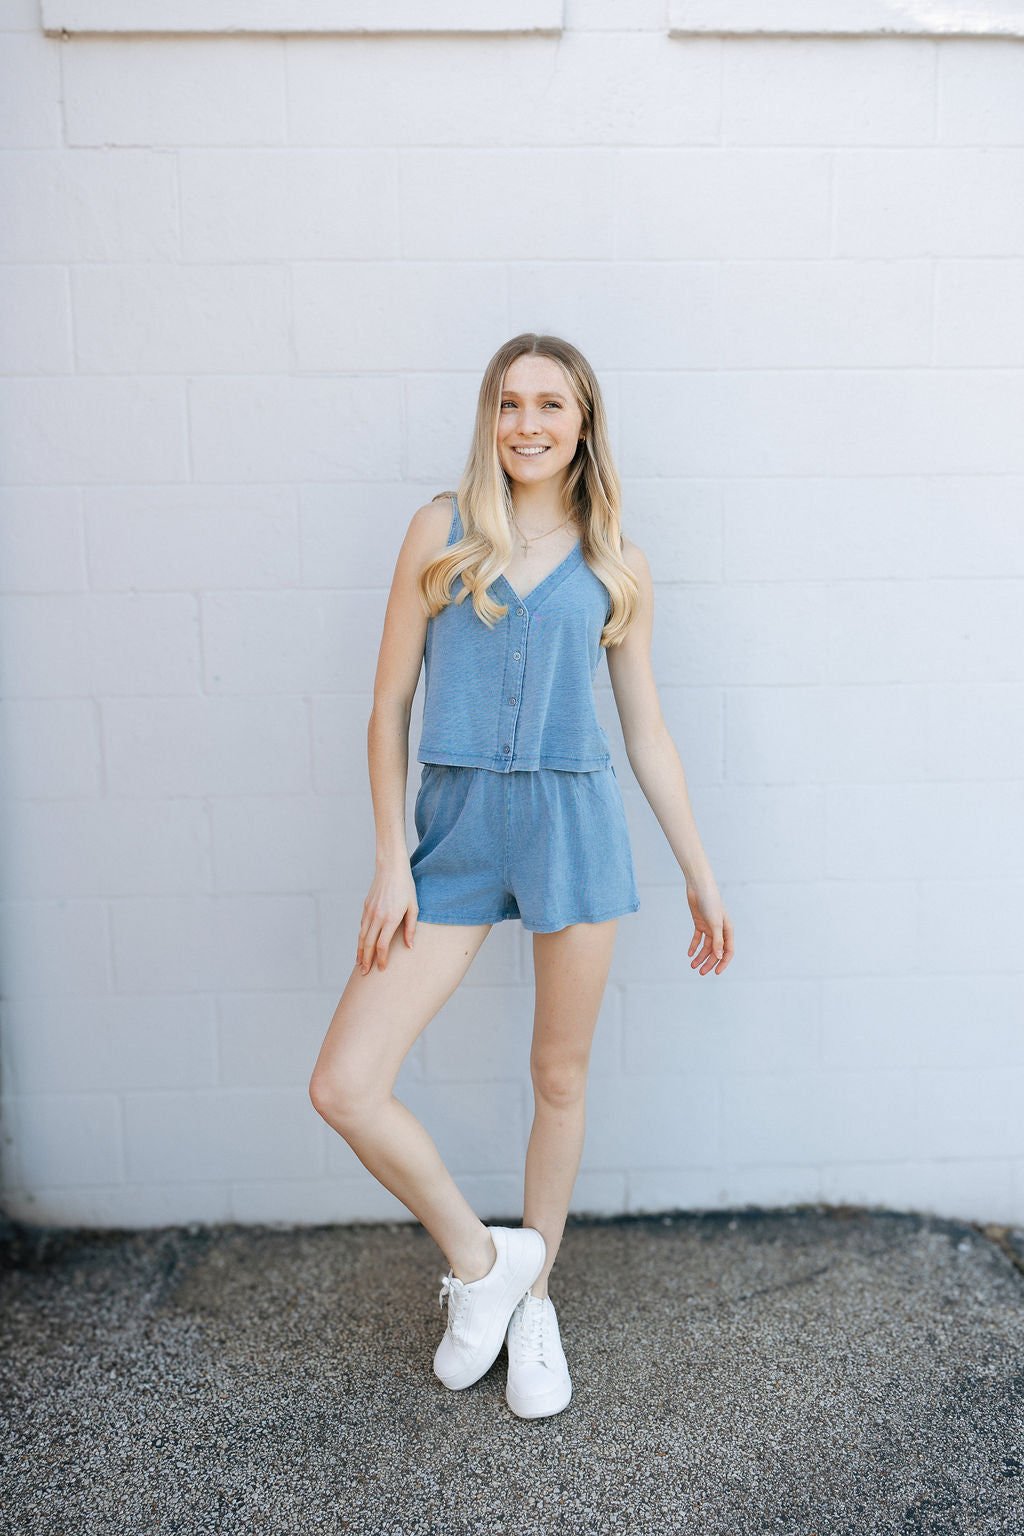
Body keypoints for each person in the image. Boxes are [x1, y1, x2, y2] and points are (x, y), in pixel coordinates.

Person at [309, 332, 734, 1420]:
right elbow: (387, 706)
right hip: (452, 833)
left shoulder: (617, 561)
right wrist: (390, 861)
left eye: (550, 404)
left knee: (559, 1077)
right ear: (488, 419)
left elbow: (645, 734)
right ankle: (484, 1260)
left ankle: (533, 1301)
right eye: (509, 403)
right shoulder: (439, 529)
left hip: (571, 824)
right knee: (346, 1084)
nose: (527, 424)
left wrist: (698, 872)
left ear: (583, 424)